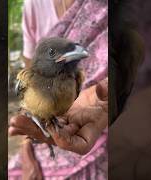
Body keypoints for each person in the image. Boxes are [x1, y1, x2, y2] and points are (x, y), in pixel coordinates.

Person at [8, 0, 109, 179]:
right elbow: (26, 111)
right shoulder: (34, 5)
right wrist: (26, 151)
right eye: (54, 54)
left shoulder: (75, 77)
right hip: (42, 149)